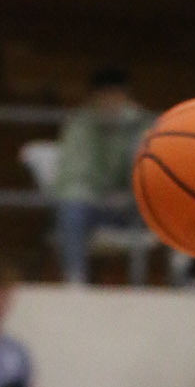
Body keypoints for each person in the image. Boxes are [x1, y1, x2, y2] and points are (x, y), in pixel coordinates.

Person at [52, 68, 155, 285]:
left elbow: (151, 171)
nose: (110, 102)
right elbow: (74, 174)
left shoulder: (143, 123)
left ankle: (181, 277)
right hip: (93, 205)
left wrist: (130, 194)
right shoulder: (80, 124)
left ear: (126, 96)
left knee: (180, 195)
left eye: (116, 95)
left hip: (133, 204)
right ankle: (75, 280)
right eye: (104, 96)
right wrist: (99, 196)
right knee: (71, 206)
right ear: (94, 98)